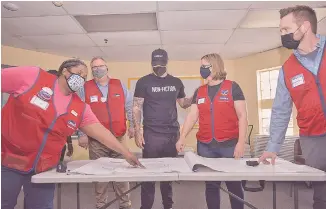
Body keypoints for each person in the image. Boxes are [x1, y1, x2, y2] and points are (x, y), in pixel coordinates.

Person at [1, 59, 142, 209]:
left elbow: (101, 132)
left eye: (84, 76)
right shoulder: (33, 76)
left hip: (44, 168)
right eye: (80, 73)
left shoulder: (80, 107)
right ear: (65, 71)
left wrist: (126, 153)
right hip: (9, 161)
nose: (81, 79)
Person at [258, 5, 326, 209]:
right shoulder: (287, 69)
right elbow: (280, 110)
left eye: (286, 29)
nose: (282, 35)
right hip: (313, 138)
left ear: (305, 27)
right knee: (321, 196)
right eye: (281, 30)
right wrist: (272, 147)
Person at [176, 53, 248, 209]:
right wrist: (182, 137)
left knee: (234, 186)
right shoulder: (200, 91)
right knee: (211, 186)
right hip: (206, 147)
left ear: (215, 67)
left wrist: (241, 143)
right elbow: (192, 116)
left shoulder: (232, 87)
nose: (202, 69)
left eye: (205, 66)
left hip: (229, 145)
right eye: (201, 66)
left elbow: (242, 116)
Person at [133, 48, 192, 209]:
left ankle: (168, 206)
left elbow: (183, 103)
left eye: (160, 63)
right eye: (154, 63)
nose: (157, 66)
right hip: (151, 135)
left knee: (168, 175)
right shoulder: (143, 82)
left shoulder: (176, 82)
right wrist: (138, 131)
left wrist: (196, 96)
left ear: (166, 62)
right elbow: (137, 107)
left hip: (171, 135)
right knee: (148, 176)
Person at [77, 57, 134, 209]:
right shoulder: (85, 87)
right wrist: (81, 134)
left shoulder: (119, 84)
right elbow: (78, 110)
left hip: (119, 137)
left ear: (107, 67)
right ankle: (101, 205)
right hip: (97, 140)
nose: (97, 69)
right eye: (94, 67)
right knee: (100, 176)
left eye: (100, 66)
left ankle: (125, 204)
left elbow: (129, 106)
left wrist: (133, 126)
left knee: (121, 174)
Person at [47, 69, 74, 161]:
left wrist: (69, 143)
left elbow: (66, 124)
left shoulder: (63, 101)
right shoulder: (40, 98)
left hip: (59, 144)